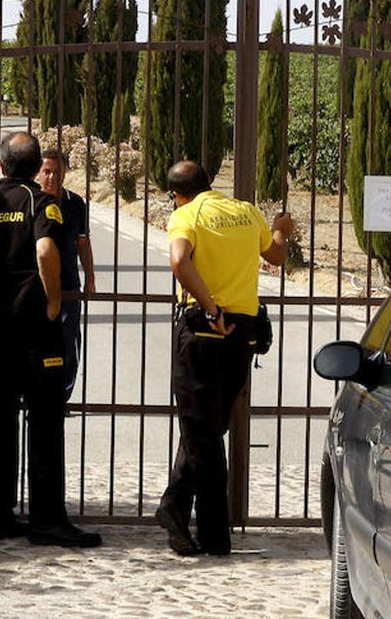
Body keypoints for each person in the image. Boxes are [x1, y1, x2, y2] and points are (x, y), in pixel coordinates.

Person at [0, 130, 101, 548]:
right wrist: (53, 301)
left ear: (1, 165)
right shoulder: (42, 202)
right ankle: (47, 520)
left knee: (1, 417)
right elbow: (45, 252)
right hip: (37, 326)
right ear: (38, 169)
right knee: (45, 419)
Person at [154, 160, 294, 556]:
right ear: (209, 183)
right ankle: (176, 508)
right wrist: (282, 228)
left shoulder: (187, 215)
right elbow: (277, 256)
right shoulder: (246, 212)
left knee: (203, 433)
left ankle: (212, 533)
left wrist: (211, 308)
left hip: (204, 328)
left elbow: (180, 261)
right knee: (209, 429)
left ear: (177, 194)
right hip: (242, 337)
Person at [35, 149, 96, 402]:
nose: (51, 177)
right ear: (38, 172)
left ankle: (62, 395)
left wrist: (90, 278)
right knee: (37, 342)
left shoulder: (75, 203)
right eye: (46, 171)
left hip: (69, 285)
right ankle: (36, 393)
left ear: (64, 174)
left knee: (67, 342)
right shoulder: (32, 201)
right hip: (36, 285)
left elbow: (83, 243)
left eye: (56, 172)